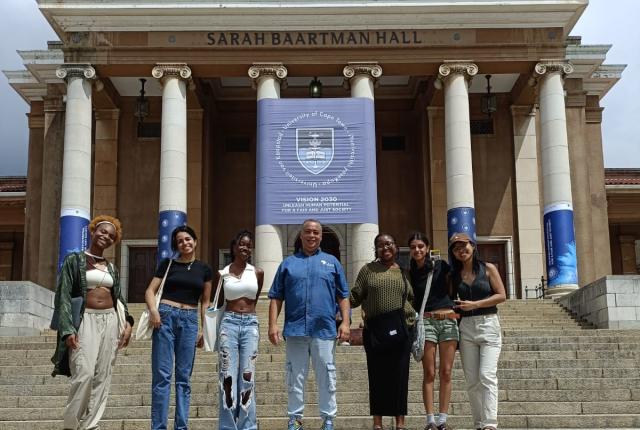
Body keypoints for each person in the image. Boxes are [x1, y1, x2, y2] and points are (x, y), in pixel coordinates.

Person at [51, 215, 134, 430]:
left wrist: (128, 322)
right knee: (84, 373)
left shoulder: (112, 268)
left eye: (111, 235)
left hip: (110, 321)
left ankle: (91, 425)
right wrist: (68, 328)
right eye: (103, 231)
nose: (106, 236)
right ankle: (71, 425)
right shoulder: (75, 260)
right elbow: (63, 295)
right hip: (84, 320)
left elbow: (119, 298)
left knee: (102, 376)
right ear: (93, 230)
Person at [268, 219, 350, 430]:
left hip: (324, 329)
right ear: (301, 235)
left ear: (321, 236)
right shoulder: (288, 263)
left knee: (327, 375)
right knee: (295, 376)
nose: (311, 235)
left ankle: (328, 418)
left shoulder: (332, 262)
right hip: (295, 330)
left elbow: (343, 296)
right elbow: (276, 297)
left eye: (315, 232)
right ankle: (295, 419)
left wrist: (346, 323)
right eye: (307, 232)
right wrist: (272, 325)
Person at [145, 225, 213, 430]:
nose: (185, 243)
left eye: (188, 239)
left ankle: (181, 426)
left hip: (190, 320)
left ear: (195, 240)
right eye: (180, 241)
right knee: (162, 376)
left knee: (184, 378)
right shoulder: (168, 264)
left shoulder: (205, 269)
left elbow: (206, 302)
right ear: (176, 245)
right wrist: (154, 312)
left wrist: (204, 329)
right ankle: (158, 426)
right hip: (165, 317)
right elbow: (150, 290)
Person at [350, 233, 416, 430]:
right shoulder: (368, 270)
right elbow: (355, 296)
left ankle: (400, 423)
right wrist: (337, 299)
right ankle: (377, 423)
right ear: (376, 249)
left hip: (401, 331)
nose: (385, 247)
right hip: (375, 332)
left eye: (389, 243)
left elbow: (411, 298)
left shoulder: (404, 272)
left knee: (400, 377)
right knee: (377, 377)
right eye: (380, 245)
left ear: (395, 246)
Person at [448, 232, 506, 430]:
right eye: (456, 248)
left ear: (472, 246)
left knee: (487, 375)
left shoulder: (488, 268)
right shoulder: (454, 276)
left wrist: (476, 304)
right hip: (466, 328)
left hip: (488, 324)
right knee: (472, 379)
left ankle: (490, 423)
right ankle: (479, 423)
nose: (461, 250)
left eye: (464, 246)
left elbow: (501, 295)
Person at [408, 232, 458, 430]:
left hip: (447, 320)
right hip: (426, 322)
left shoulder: (440, 266)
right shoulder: (410, 272)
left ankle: (443, 419)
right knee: (429, 372)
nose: (417, 250)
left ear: (427, 248)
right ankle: (430, 420)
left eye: (421, 246)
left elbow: (452, 285)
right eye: (413, 247)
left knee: (446, 372)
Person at [215, 230, 264, 430]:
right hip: (229, 324)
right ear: (234, 247)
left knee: (248, 375)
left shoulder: (257, 272)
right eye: (241, 244)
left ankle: (248, 426)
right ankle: (227, 426)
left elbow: (256, 296)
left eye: (248, 245)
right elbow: (218, 304)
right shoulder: (222, 274)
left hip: (250, 324)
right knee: (227, 377)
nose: (245, 247)